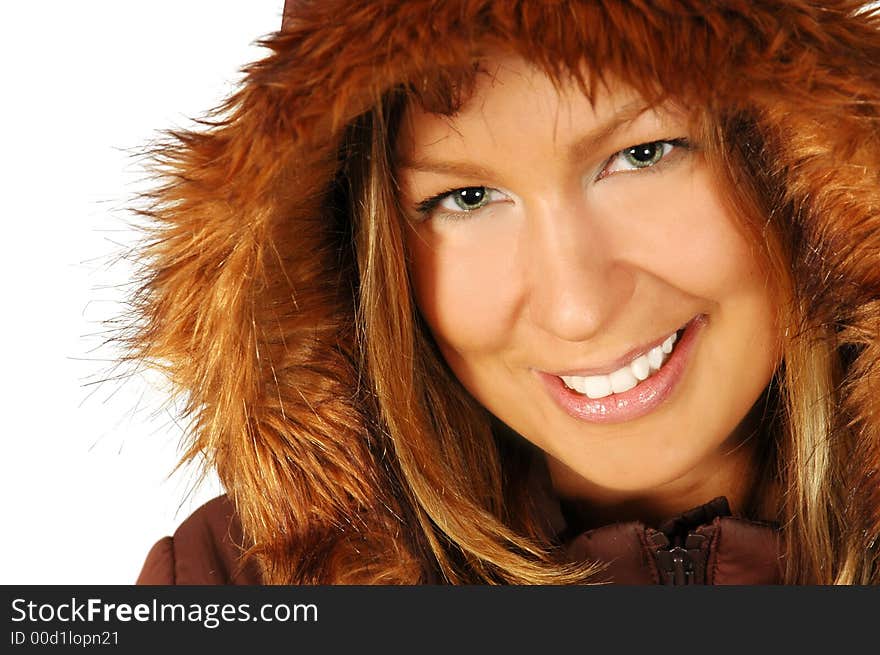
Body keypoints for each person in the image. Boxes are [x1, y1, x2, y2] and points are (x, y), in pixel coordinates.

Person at [133, 0, 880, 585]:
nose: (576, 306)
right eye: (467, 198)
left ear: (801, 159)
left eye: (642, 154)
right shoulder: (237, 584)